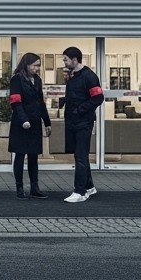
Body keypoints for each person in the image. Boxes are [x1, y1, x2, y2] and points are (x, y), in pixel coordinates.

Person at [60, 46, 103, 203]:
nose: (63, 62)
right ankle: (90, 187)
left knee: (81, 156)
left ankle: (80, 192)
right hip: (73, 121)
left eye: (65, 59)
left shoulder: (89, 76)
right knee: (79, 155)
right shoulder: (73, 75)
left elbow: (98, 98)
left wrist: (79, 110)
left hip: (83, 122)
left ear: (74, 60)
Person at [8, 52, 51, 199]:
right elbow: (15, 101)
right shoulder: (17, 80)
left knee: (34, 156)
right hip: (21, 123)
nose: (37, 68)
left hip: (35, 122)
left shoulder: (37, 80)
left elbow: (41, 102)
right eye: (35, 65)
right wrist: (23, 119)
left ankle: (35, 187)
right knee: (20, 155)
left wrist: (47, 121)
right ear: (26, 65)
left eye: (38, 66)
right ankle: (19, 188)